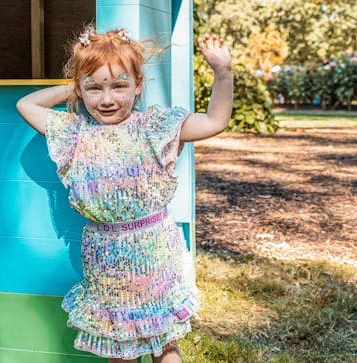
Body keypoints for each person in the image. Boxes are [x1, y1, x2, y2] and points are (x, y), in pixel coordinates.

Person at [16, 27, 234, 363]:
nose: (107, 99)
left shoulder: (154, 127)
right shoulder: (75, 133)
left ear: (138, 86)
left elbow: (215, 121)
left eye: (119, 86)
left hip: (154, 253)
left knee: (164, 345)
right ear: (82, 90)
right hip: (104, 258)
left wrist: (223, 73)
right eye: (94, 88)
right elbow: (26, 104)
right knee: (120, 347)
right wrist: (74, 88)